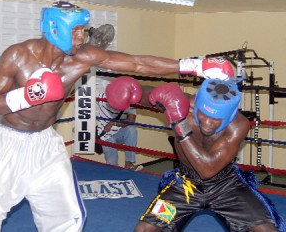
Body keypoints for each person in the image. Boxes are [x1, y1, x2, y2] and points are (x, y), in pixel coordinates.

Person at [0, 0, 236, 232]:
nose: (80, 37)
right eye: (75, 31)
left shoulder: (82, 57)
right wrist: (27, 96)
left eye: (82, 31)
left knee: (67, 215)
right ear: (55, 28)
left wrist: (193, 65)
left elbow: (137, 63)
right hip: (12, 142)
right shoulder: (18, 56)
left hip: (46, 143)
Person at [105, 77, 285, 231]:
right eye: (203, 114)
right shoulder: (182, 103)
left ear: (229, 116)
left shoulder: (238, 125)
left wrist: (179, 123)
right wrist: (131, 90)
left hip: (227, 188)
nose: (207, 123)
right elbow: (147, 95)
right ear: (196, 104)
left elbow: (207, 169)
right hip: (185, 188)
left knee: (266, 229)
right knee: (145, 229)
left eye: (216, 119)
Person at [96, 88, 142, 170]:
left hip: (119, 133)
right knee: (113, 168)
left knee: (131, 129)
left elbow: (131, 121)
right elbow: (86, 95)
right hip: (106, 136)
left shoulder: (130, 103)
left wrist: (113, 123)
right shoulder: (103, 97)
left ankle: (129, 163)